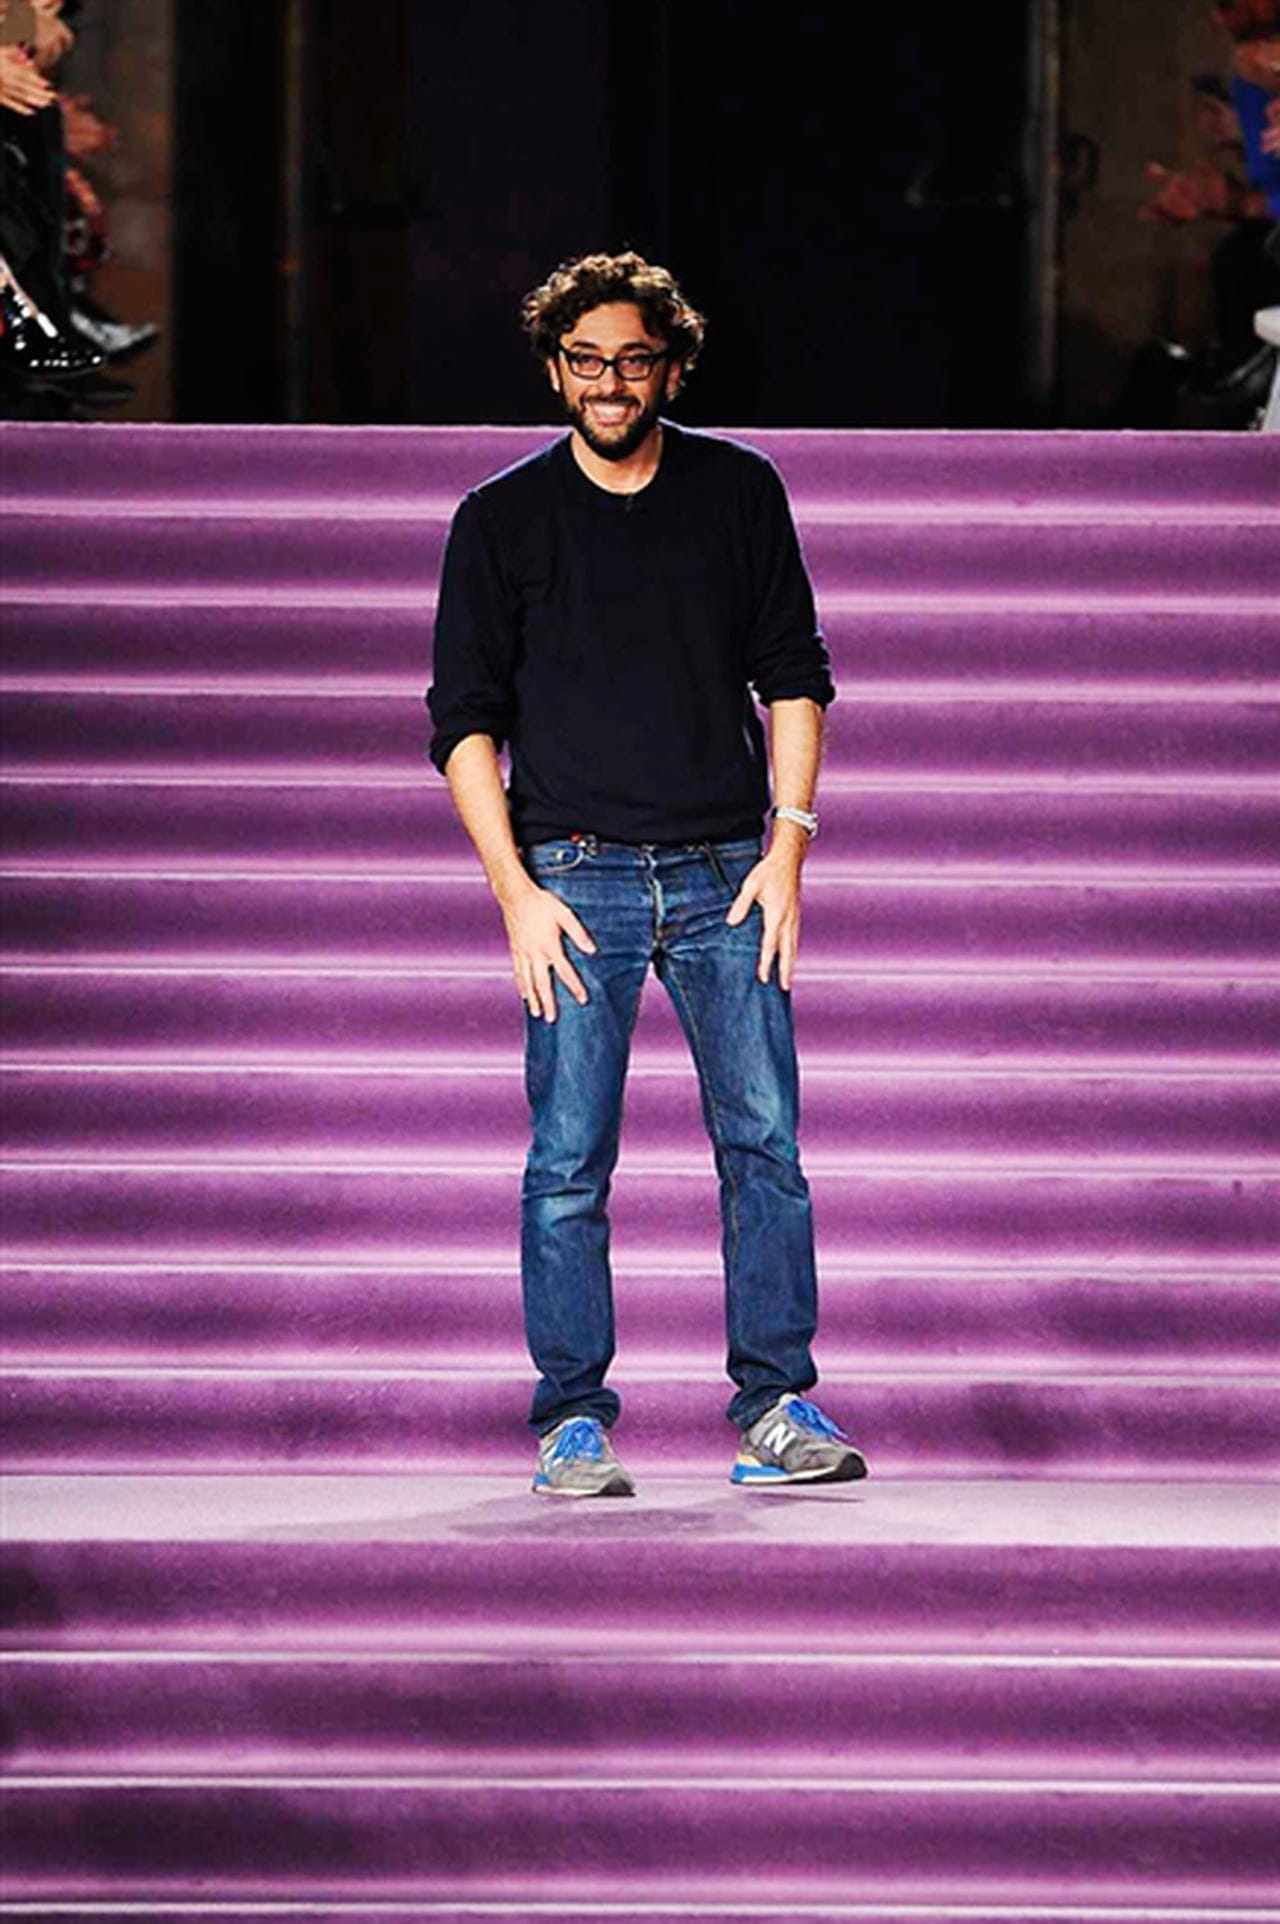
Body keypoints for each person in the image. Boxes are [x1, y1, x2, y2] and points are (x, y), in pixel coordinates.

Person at [427, 250, 868, 1498]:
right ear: (552, 371)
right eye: (585, 361)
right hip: (572, 879)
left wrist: (788, 846)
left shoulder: (738, 490)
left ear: (670, 367)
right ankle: (571, 1418)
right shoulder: (499, 519)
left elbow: (793, 672)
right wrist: (514, 893)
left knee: (764, 1146)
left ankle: (774, 1406)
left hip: (729, 871)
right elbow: (462, 721)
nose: (609, 383)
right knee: (568, 1161)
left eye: (632, 359)